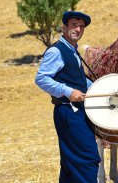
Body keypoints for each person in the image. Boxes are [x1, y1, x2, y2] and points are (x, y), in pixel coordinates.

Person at [35, 11, 100, 183]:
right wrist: (67, 91)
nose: (78, 29)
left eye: (81, 27)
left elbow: (78, 81)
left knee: (71, 164)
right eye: (73, 25)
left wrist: (99, 88)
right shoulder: (57, 51)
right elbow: (41, 78)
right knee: (88, 159)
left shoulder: (72, 51)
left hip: (76, 112)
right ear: (64, 27)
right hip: (69, 112)